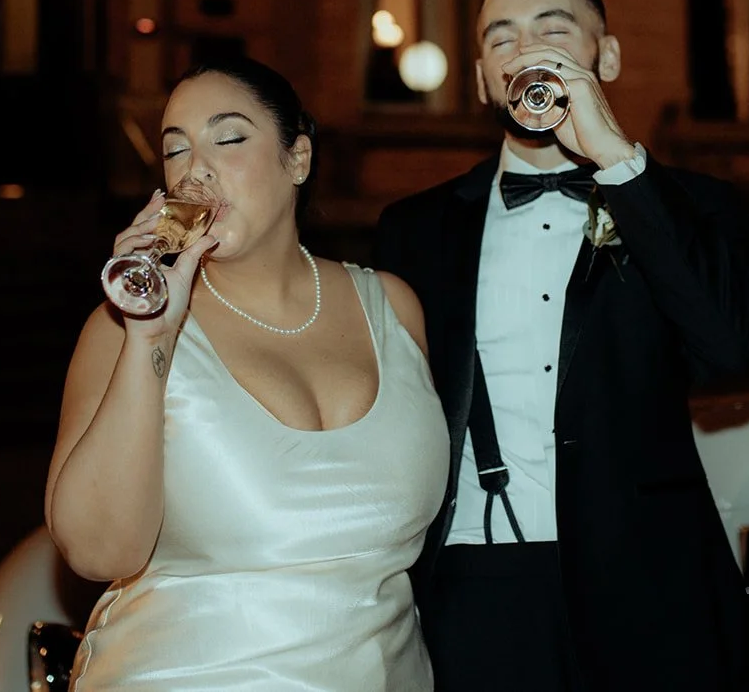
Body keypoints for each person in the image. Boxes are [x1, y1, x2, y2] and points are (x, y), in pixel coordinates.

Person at [375, 0, 749, 691]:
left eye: (552, 29)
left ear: (608, 57)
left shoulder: (690, 205)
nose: (525, 51)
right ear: (481, 78)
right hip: (476, 580)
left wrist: (620, 164)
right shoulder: (414, 229)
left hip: (649, 581)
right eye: (501, 39)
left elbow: (735, 346)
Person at [47, 56, 448, 690]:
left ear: (298, 160)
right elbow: (99, 553)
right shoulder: (121, 329)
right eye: (175, 151)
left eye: (228, 138)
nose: (196, 169)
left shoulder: (394, 307)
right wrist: (152, 331)